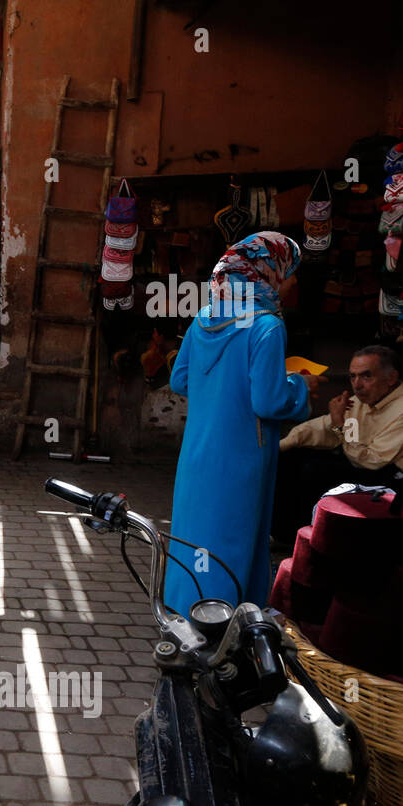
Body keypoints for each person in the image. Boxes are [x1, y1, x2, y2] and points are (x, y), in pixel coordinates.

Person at [165, 231, 319, 615]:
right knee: (233, 539)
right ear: (269, 270)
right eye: (290, 270)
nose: (293, 280)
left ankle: (184, 613)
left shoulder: (205, 317)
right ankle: (222, 625)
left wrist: (218, 386)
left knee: (196, 537)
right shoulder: (267, 326)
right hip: (240, 458)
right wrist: (301, 385)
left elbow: (180, 379)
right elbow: (268, 400)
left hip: (198, 455)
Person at [273, 345, 403, 542]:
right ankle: (283, 535)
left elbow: (371, 460)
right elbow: (320, 428)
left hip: (390, 477)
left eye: (366, 376)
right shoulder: (362, 400)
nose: (357, 385)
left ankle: (309, 539)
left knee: (314, 469)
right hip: (361, 461)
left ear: (391, 378)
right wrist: (279, 447)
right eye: (353, 377)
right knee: (289, 457)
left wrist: (340, 424)